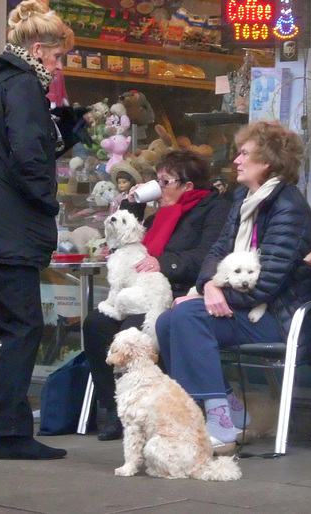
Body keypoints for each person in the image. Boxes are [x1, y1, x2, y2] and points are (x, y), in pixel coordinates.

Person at [0, 0, 85, 460]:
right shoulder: (25, 85)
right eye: (59, 56)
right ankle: (10, 432)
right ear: (39, 49)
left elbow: (13, 148)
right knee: (24, 327)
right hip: (8, 226)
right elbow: (27, 157)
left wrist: (59, 134)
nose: (60, 65)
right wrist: (48, 201)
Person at [155, 120, 311, 454]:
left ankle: (219, 424)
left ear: (267, 163)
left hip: (279, 318)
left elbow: (267, 285)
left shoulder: (288, 206)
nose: (236, 160)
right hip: (248, 308)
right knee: (167, 320)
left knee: (187, 317)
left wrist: (213, 294)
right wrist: (208, 286)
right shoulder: (245, 200)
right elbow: (215, 252)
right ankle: (226, 408)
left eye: (244, 153)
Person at [82, 149, 231, 441]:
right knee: (95, 324)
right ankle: (114, 408)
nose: (158, 186)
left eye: (165, 181)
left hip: (180, 292)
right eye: (157, 180)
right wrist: (133, 202)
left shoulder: (214, 209)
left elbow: (206, 254)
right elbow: (129, 237)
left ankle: (147, 410)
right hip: (141, 289)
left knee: (131, 330)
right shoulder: (158, 212)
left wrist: (164, 263)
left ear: (187, 185)